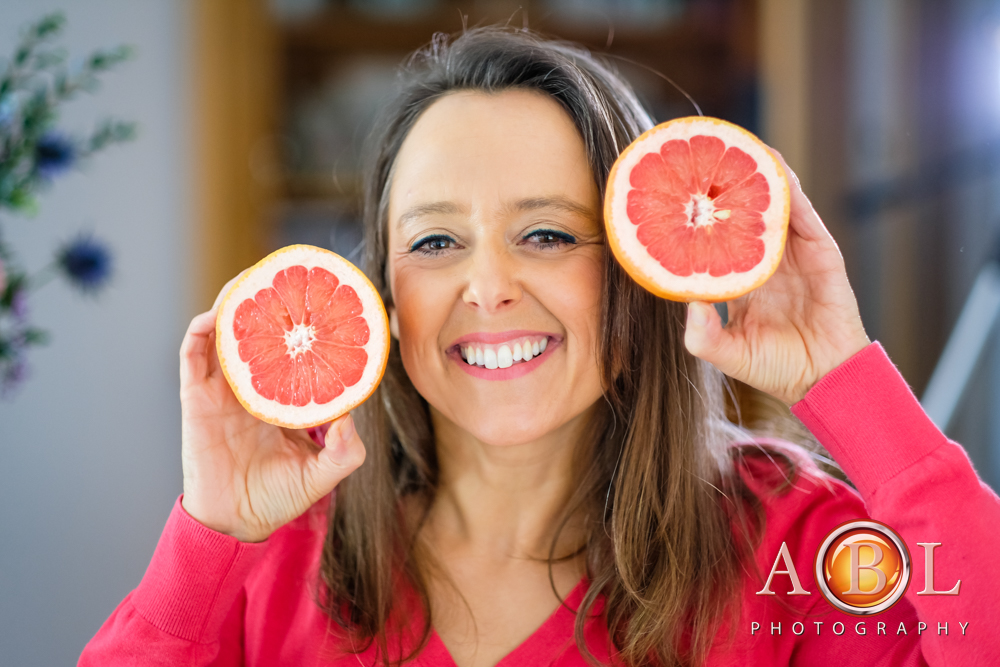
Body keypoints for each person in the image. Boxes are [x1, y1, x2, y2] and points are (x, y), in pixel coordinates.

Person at [80, 27, 1000, 667]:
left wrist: (844, 377)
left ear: (641, 270)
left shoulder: (788, 545)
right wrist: (208, 539)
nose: (488, 287)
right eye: (436, 242)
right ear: (384, 296)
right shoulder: (272, 560)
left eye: (549, 234)